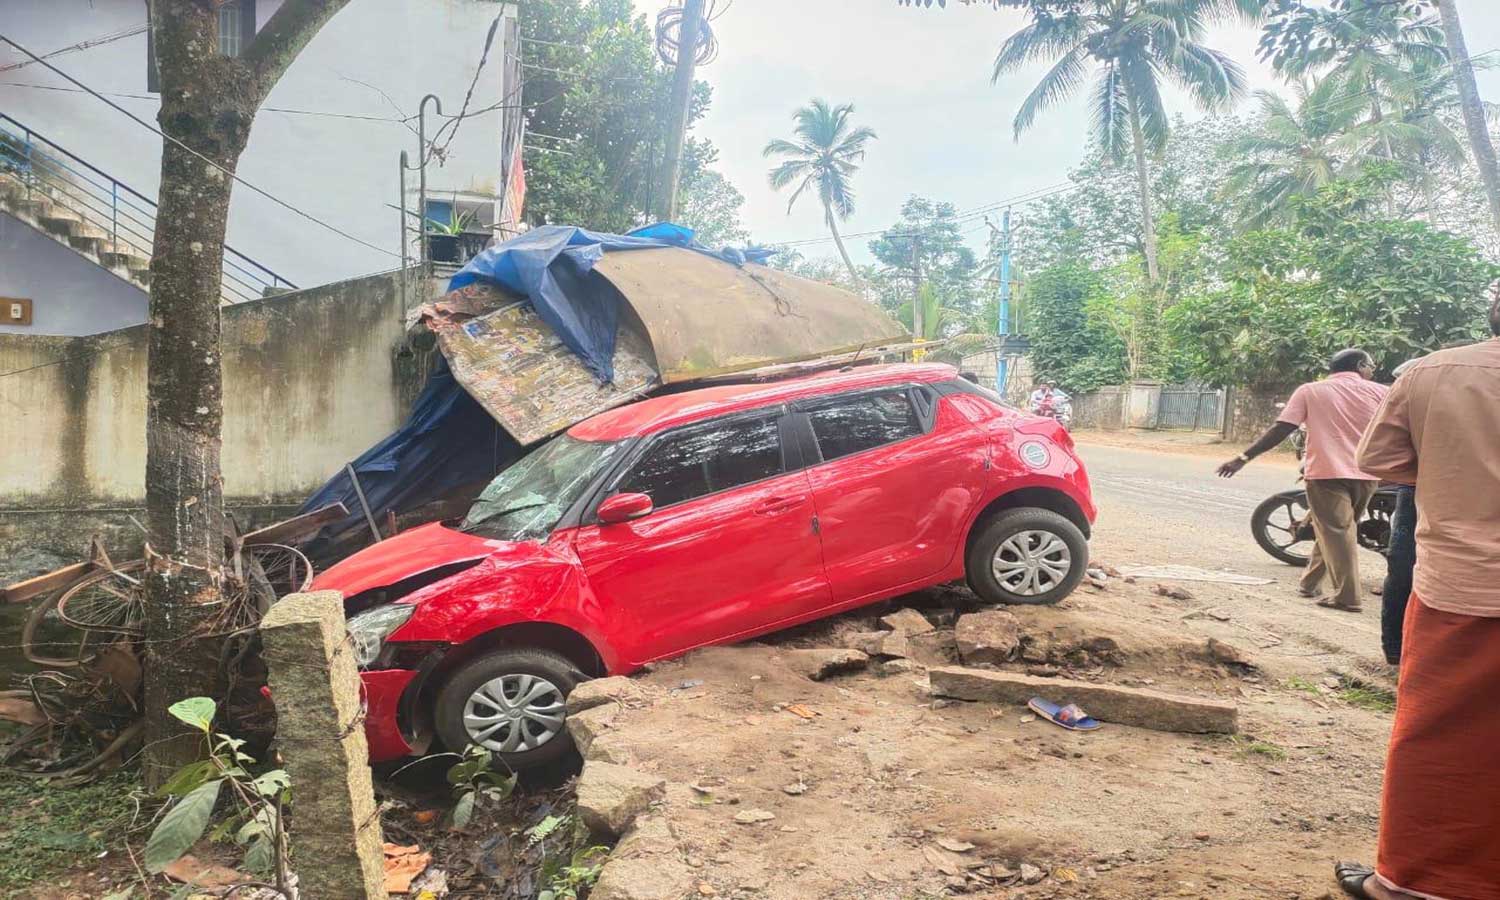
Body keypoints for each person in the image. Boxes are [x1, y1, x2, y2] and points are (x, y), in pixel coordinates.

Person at [1333, 297, 1500, 900]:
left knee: (1439, 735)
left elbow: (1379, 459)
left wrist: (1455, 470)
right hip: (1460, 583)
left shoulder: (1431, 373)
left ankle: (1412, 883)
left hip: (1463, 585)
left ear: (1493, 312)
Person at [1217, 349, 1387, 612]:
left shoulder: (1311, 390)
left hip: (1326, 473)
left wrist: (1243, 457)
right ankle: (1309, 583)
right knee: (1334, 529)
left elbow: (1283, 428)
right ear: (1360, 365)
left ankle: (1347, 597)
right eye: (1371, 366)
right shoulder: (1380, 392)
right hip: (1367, 474)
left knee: (1336, 530)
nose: (1373, 371)